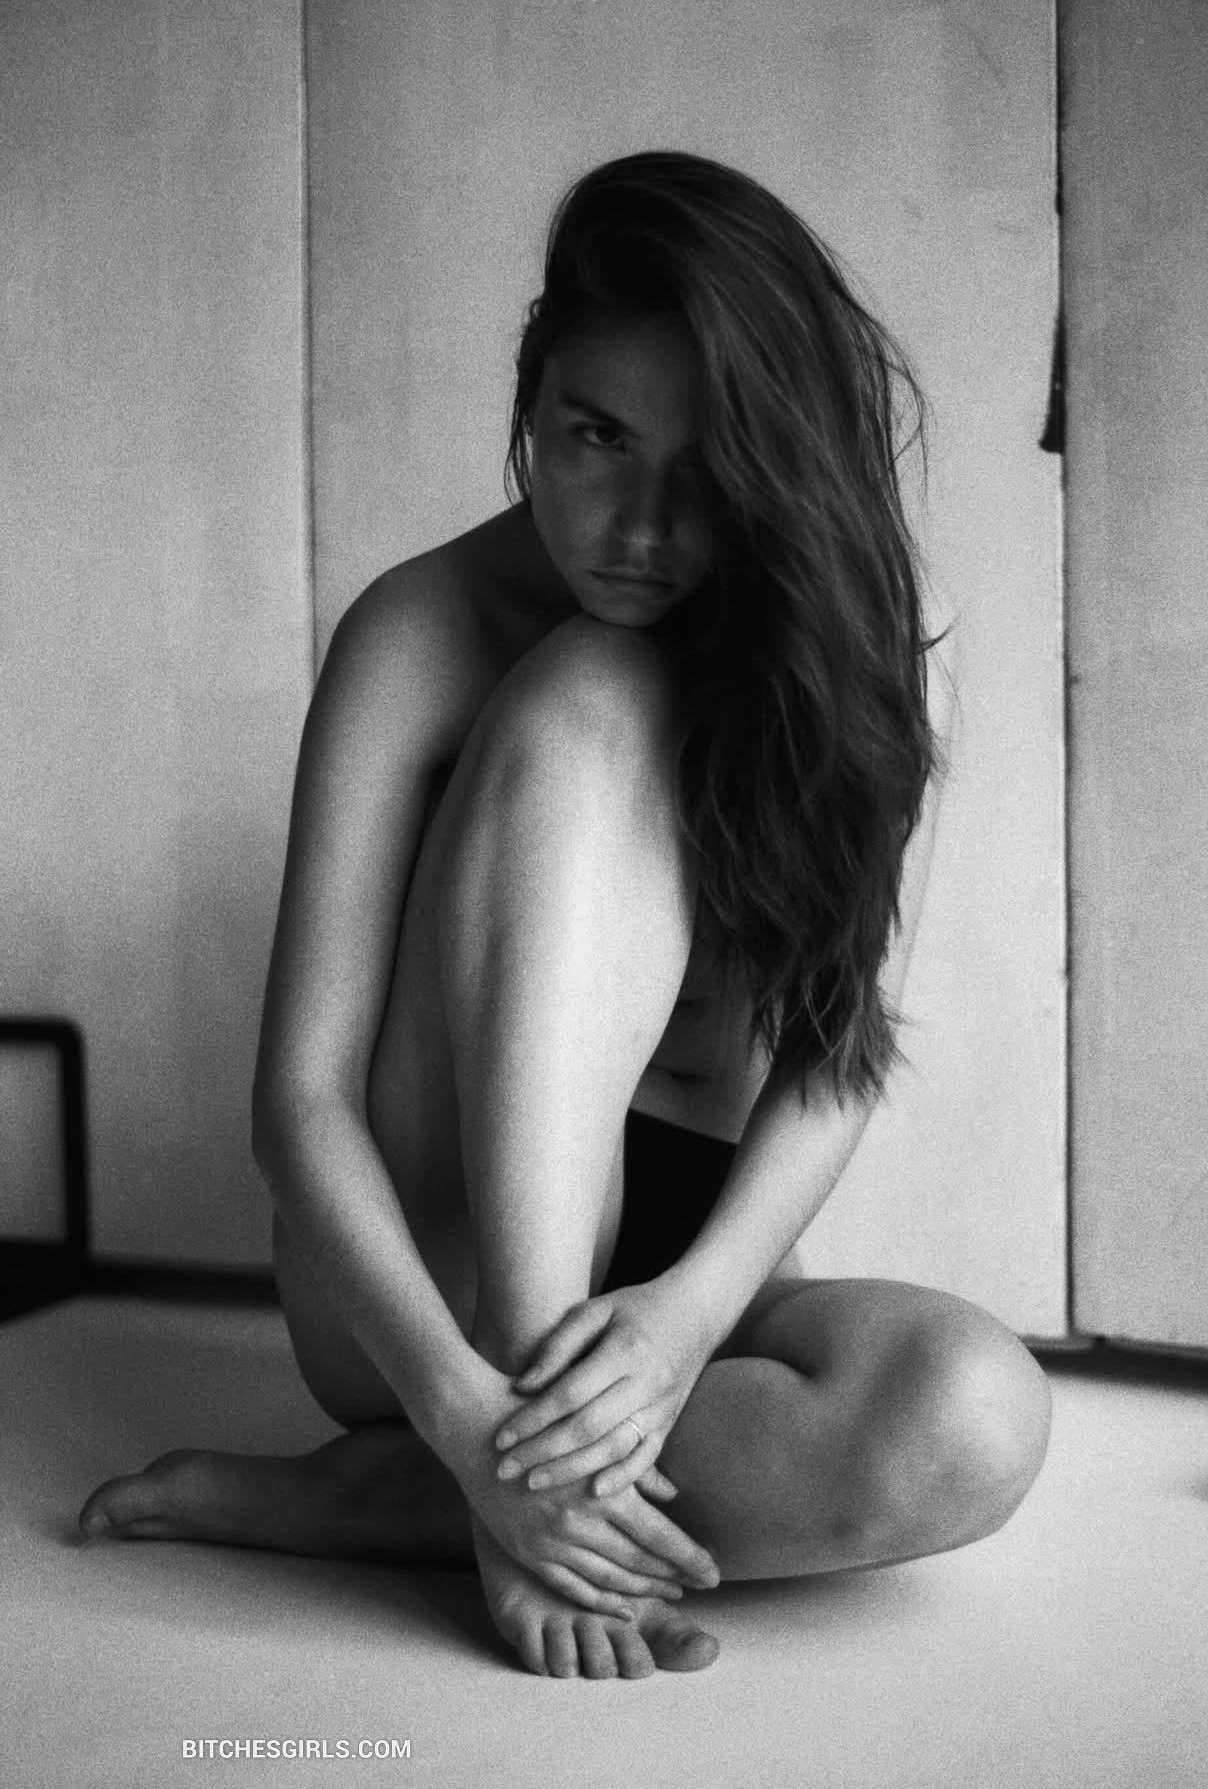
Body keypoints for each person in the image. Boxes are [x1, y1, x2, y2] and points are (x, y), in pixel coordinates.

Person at [79, 151, 1052, 1679]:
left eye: (706, 466)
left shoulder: (877, 646)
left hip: (675, 1278)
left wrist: (689, 1316)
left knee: (974, 1414)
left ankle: (391, 1504)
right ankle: (501, 1465)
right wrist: (470, 1406)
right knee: (597, 686)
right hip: (434, 1276)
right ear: (532, 400)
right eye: (598, 438)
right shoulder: (421, 630)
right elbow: (299, 1105)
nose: (640, 525)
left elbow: (831, 1052)